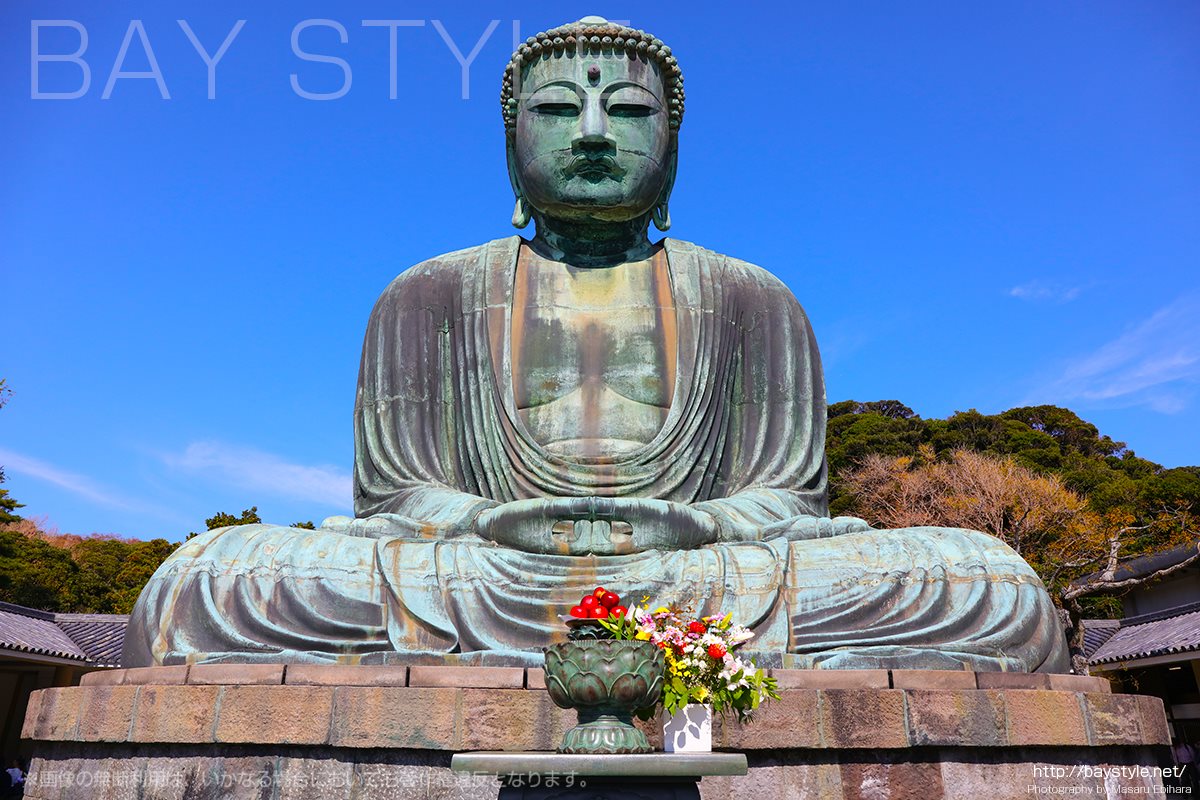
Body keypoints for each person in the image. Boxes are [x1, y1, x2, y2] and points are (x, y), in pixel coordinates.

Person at [122, 17, 1068, 672]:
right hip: (483, 571)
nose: (589, 134)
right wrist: (486, 522)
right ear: (509, 143)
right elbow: (396, 496)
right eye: (555, 111)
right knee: (209, 579)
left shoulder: (751, 298)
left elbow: (785, 496)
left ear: (673, 144)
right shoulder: (427, 295)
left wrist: (696, 525)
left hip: (697, 572)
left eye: (625, 111)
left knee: (985, 581)